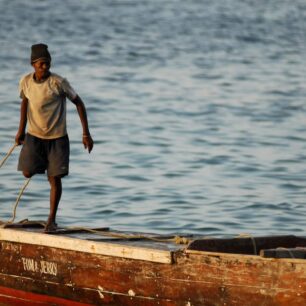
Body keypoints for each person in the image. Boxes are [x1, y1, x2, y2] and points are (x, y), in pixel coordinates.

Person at [15, 43, 94, 232]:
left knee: (54, 178)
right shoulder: (26, 81)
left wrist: (86, 133)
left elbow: (79, 103)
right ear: (33, 64)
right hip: (34, 136)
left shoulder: (58, 82)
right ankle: (42, 164)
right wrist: (20, 131)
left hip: (58, 138)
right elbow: (25, 103)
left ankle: (51, 220)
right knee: (27, 172)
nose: (45, 67)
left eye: (48, 63)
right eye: (42, 63)